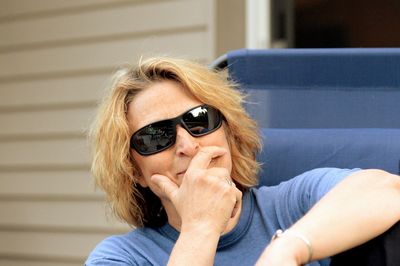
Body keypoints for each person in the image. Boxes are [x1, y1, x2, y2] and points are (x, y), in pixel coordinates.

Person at [85, 57, 400, 266]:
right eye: (155, 136)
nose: (187, 144)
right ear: (134, 171)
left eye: (199, 120)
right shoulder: (122, 257)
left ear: (228, 133)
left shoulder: (288, 206)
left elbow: (388, 191)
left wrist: (287, 249)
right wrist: (199, 227)